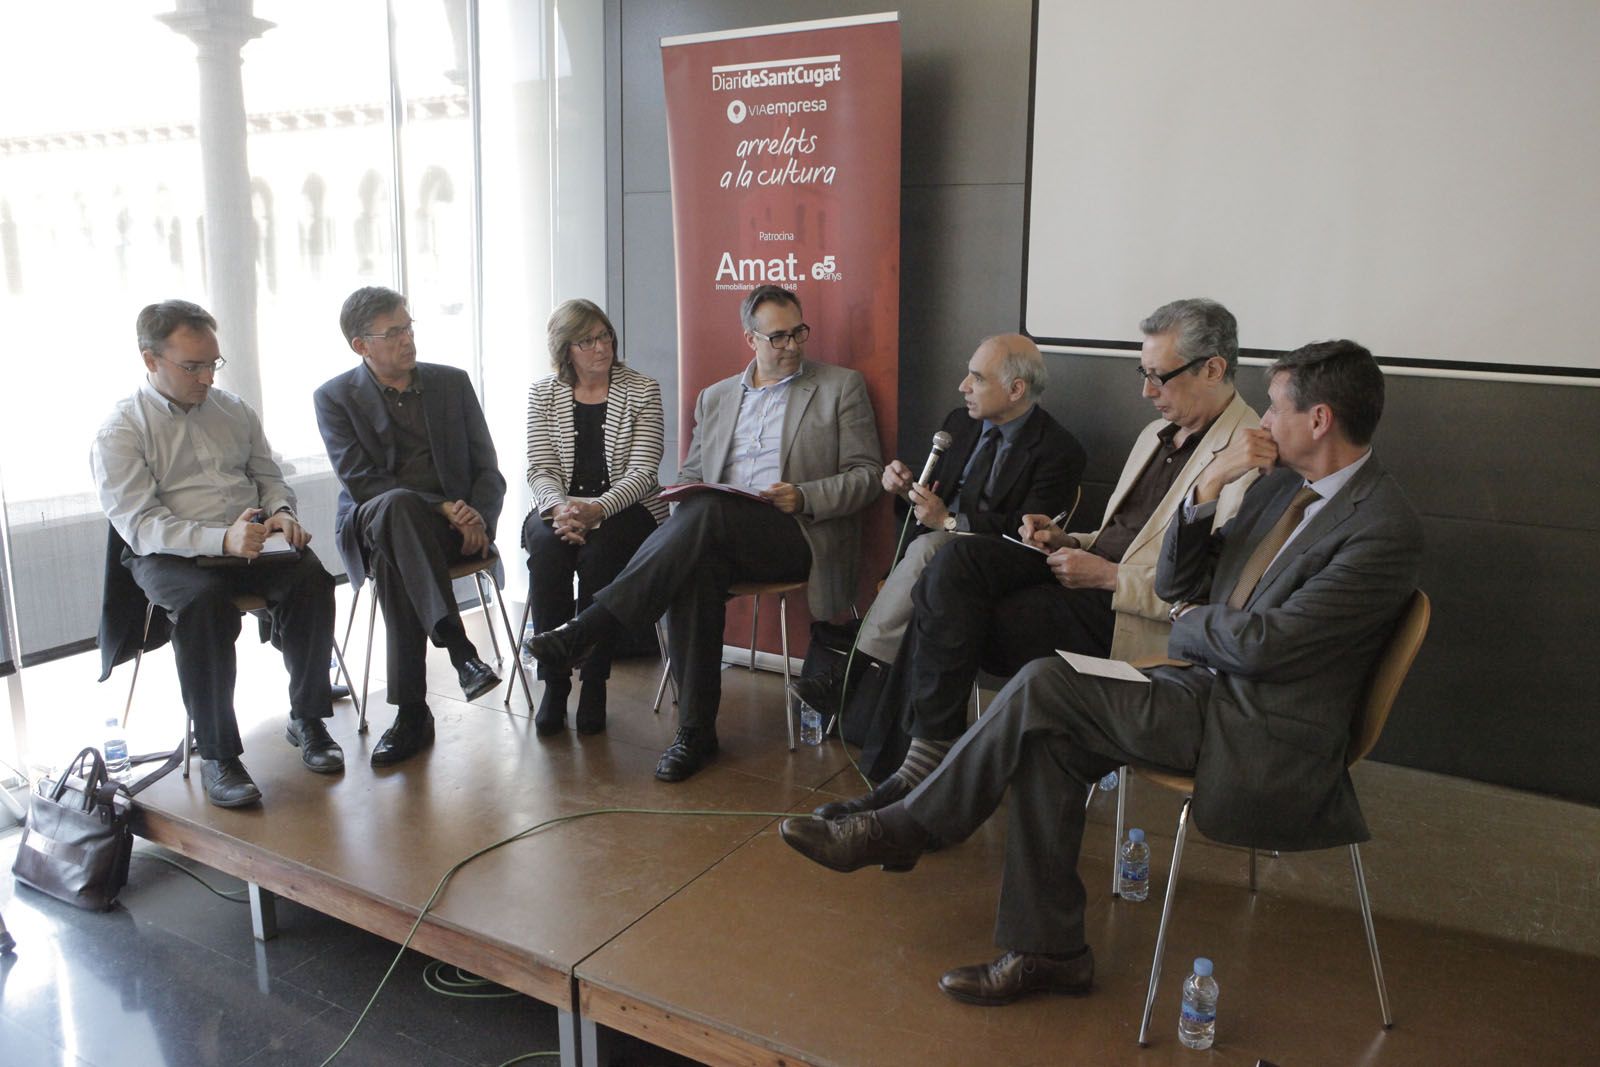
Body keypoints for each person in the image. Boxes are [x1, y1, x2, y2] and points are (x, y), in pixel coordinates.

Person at [781, 338, 1424, 1006]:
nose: (1261, 422)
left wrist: (1185, 619)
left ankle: (911, 825)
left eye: (1275, 407)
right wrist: (1207, 488)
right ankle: (1047, 951)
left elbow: (1266, 645)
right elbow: (1179, 577)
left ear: (1318, 421)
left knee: (1045, 683)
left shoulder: (1381, 528)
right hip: (1202, 683)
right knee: (1049, 729)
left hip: (1260, 729)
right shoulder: (1279, 484)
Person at [823, 298, 1259, 807]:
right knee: (953, 563)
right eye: (1143, 372)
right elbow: (1126, 534)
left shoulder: (1243, 458)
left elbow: (1215, 597)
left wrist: (1108, 576)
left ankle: (911, 775)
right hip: (1081, 578)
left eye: (1158, 376)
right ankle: (923, 770)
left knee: (944, 609)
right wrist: (1070, 539)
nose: (1146, 391)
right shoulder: (1155, 434)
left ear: (1212, 369)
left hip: (1127, 616)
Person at [525, 284, 883, 781]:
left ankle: (591, 626)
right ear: (749, 340)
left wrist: (803, 494)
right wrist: (684, 494)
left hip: (795, 533)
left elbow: (867, 475)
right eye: (777, 337)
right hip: (718, 535)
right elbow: (692, 475)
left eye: (799, 332)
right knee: (697, 552)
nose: (793, 346)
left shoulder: (839, 387)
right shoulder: (716, 397)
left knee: (707, 514)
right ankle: (695, 733)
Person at [92, 300, 341, 807]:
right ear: (150, 360)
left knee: (310, 578)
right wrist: (219, 539)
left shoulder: (233, 410)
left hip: (248, 540)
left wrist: (282, 513)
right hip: (170, 554)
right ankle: (219, 754)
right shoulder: (120, 431)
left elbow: (269, 478)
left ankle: (308, 719)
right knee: (203, 605)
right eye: (192, 366)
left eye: (213, 363)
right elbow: (140, 525)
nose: (206, 377)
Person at [790, 332, 1085, 715]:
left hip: (996, 564)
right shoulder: (959, 424)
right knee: (928, 550)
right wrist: (906, 491)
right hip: (925, 553)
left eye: (977, 378)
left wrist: (948, 521)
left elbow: (1030, 532)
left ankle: (850, 676)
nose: (963, 387)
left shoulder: (1058, 450)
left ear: (1016, 389)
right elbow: (930, 503)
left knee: (932, 549)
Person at [314, 287, 507, 767]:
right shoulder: (335, 398)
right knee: (396, 507)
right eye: (394, 332)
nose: (407, 340)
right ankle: (460, 649)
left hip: (449, 531)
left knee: (395, 557)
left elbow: (489, 469)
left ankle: (412, 713)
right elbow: (363, 483)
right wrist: (444, 507)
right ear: (361, 345)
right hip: (375, 517)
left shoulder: (451, 383)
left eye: (409, 327)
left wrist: (476, 516)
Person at [521, 299, 667, 735]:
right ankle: (555, 682)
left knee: (600, 557)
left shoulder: (642, 389)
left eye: (605, 336)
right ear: (565, 349)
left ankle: (596, 682)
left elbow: (644, 473)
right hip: (560, 506)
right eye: (587, 341)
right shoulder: (542, 393)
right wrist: (561, 509)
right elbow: (540, 467)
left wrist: (596, 509)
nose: (601, 348)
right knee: (546, 550)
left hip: (626, 507)